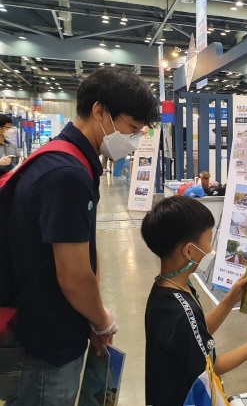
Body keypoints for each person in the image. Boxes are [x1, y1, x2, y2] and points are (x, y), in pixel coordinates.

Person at [0, 68, 158, 406]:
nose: (133, 140)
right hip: (44, 342)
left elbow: (85, 250)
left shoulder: (65, 158)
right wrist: (102, 321)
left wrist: (91, 317)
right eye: (132, 128)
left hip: (48, 325)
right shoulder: (66, 175)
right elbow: (72, 276)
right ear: (100, 111)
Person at [141, 196, 247, 406]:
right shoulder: (180, 311)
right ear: (189, 251)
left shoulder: (166, 289)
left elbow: (195, 333)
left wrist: (230, 299)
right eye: (208, 240)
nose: (210, 249)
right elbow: (213, 366)